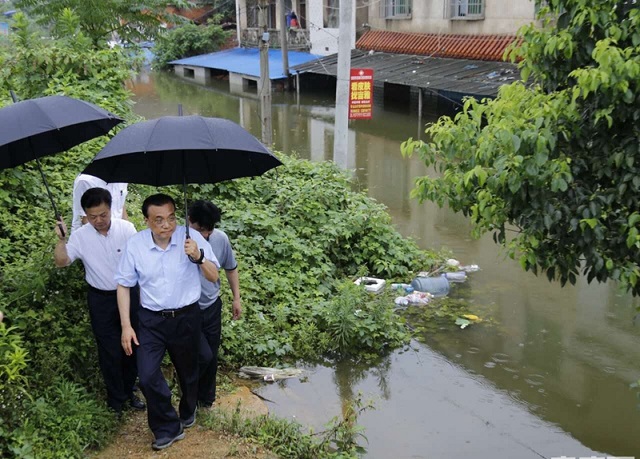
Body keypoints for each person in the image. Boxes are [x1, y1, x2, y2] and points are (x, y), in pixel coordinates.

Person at [116, 193, 220, 451]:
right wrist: (127, 326)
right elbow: (123, 285)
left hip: (186, 317)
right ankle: (167, 427)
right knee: (148, 375)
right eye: (159, 220)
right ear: (147, 221)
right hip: (151, 320)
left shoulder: (190, 237)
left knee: (189, 372)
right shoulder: (136, 245)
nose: (167, 225)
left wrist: (199, 257)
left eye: (171, 218)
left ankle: (187, 410)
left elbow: (213, 276)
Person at [53, 187, 144, 415]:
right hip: (101, 299)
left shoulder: (127, 229)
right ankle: (116, 399)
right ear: (85, 214)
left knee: (133, 345)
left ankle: (129, 390)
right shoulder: (81, 236)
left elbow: (142, 260)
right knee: (109, 350)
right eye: (93, 217)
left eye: (103, 215)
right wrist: (61, 240)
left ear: (111, 209)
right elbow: (62, 261)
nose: (99, 221)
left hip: (130, 295)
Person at [187, 200, 242, 409]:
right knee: (200, 355)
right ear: (189, 221)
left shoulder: (220, 239)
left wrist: (236, 298)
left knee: (211, 355)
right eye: (201, 230)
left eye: (209, 231)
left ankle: (206, 400)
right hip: (187, 309)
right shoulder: (179, 240)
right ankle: (189, 396)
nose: (205, 236)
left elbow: (230, 268)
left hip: (211, 306)